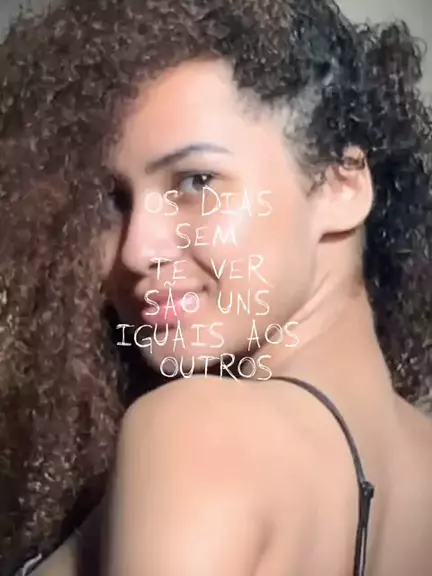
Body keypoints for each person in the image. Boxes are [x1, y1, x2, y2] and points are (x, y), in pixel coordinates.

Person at [1, 0, 432, 574]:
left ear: (340, 185)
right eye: (113, 202)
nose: (136, 250)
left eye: (196, 181)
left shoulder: (194, 432)